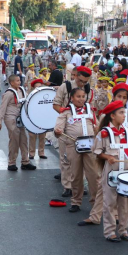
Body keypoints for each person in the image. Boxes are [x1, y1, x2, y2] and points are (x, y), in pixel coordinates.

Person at [93, 100, 128, 242]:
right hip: (111, 171)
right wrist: (107, 157)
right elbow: (97, 151)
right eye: (121, 113)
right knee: (110, 202)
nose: (124, 116)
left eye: (124, 112)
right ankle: (110, 232)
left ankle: (123, 230)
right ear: (112, 116)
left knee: (126, 203)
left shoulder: (126, 133)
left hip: (126, 172)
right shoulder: (104, 133)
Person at [54, 87, 102, 222]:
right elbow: (58, 127)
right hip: (73, 146)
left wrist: (98, 133)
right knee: (75, 175)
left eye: (83, 96)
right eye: (78, 96)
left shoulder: (90, 111)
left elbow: (97, 126)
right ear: (72, 98)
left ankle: (95, 203)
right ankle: (76, 201)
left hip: (90, 146)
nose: (81, 99)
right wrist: (57, 131)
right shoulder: (66, 112)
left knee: (94, 176)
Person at [0, 75, 35, 172]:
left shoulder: (21, 90)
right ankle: (11, 163)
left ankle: (25, 162)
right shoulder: (8, 94)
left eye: (19, 80)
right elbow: (2, 108)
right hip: (10, 119)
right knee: (14, 141)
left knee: (23, 140)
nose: (19, 82)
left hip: (20, 119)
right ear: (12, 83)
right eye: (17, 81)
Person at [27, 79, 47, 160]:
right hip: (32, 118)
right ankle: (31, 153)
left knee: (42, 136)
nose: (39, 88)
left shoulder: (44, 95)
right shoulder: (29, 95)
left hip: (42, 118)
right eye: (37, 87)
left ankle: (41, 152)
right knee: (32, 136)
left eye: (40, 86)